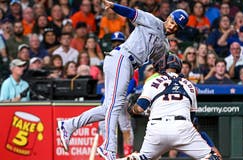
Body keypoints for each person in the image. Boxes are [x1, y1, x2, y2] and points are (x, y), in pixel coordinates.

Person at [58, 1, 189, 159]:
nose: (173, 27)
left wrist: (176, 77)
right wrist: (113, 6)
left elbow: (160, 66)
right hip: (122, 57)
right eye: (173, 22)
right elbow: (131, 13)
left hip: (127, 65)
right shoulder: (152, 20)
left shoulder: (164, 44)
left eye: (177, 27)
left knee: (108, 108)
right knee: (115, 105)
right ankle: (108, 147)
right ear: (168, 17)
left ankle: (69, 125)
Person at [125, 54, 221, 160]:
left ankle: (138, 158)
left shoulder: (152, 81)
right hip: (182, 126)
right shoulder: (190, 85)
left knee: (144, 157)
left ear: (161, 66)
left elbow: (139, 108)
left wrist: (131, 109)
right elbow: (192, 117)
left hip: (156, 128)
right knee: (212, 157)